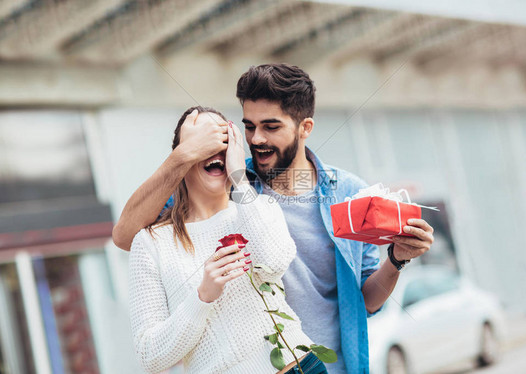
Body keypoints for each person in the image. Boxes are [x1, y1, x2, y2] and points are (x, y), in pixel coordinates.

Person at [116, 64, 434, 374]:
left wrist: (395, 260)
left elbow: (366, 301)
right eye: (250, 126)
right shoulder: (225, 186)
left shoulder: (349, 194)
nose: (256, 140)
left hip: (328, 365)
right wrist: (184, 155)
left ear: (304, 127)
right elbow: (127, 235)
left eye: (271, 127)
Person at [128, 106, 328, 374]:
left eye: (224, 140)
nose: (214, 149)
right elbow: (149, 356)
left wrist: (239, 178)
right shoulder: (151, 243)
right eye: (202, 142)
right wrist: (202, 298)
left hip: (299, 367)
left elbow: (274, 262)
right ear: (183, 155)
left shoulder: (259, 206)